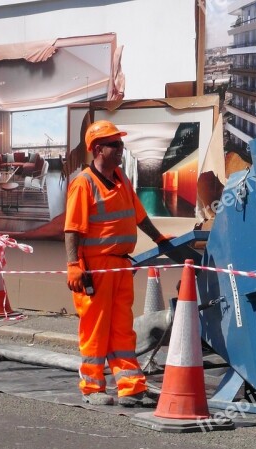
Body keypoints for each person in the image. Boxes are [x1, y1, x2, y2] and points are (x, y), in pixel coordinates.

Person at [65, 120, 172, 407]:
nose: (120, 149)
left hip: (121, 267)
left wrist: (159, 238)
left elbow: (138, 215)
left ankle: (130, 387)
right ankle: (92, 387)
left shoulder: (121, 179)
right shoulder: (83, 184)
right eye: (115, 144)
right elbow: (72, 229)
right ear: (98, 149)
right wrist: (74, 265)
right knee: (95, 329)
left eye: (121, 144)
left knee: (123, 330)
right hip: (96, 270)